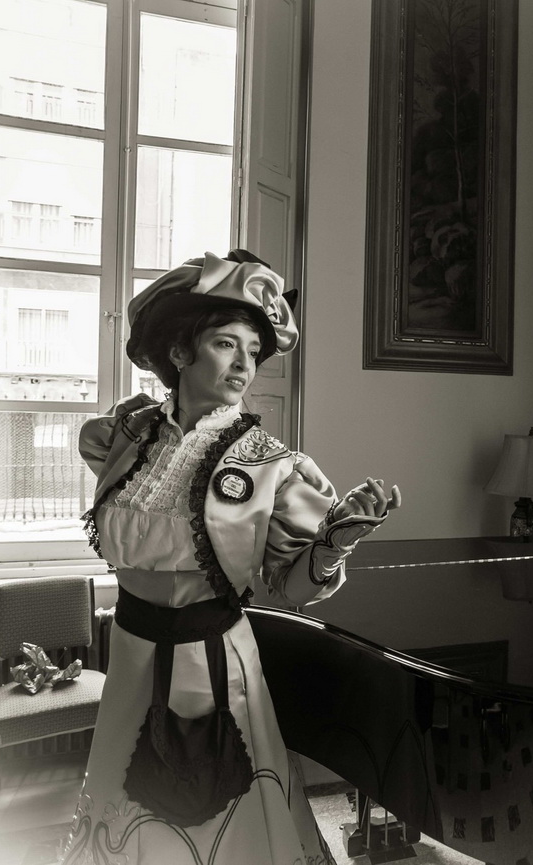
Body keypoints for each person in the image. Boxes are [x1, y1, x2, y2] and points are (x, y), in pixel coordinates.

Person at [59, 250, 401, 864]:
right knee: (121, 817)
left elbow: (289, 586)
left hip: (210, 663)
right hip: (131, 655)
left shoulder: (273, 466)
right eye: (225, 344)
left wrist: (337, 538)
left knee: (216, 811)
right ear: (179, 352)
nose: (245, 364)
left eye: (254, 350)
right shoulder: (128, 437)